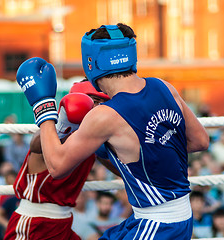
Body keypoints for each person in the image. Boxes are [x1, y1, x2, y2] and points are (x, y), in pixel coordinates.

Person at [16, 23, 209, 239]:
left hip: (156, 226)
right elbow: (200, 140)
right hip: (174, 217)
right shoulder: (163, 86)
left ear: (91, 61)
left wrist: (43, 107)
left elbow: (56, 166)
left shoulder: (106, 116)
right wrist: (148, 148)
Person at [3, 81, 111, 240]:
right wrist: (63, 126)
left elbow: (121, 169)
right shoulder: (51, 136)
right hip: (35, 223)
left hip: (64, 222)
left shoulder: (94, 139)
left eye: (102, 103)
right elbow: (35, 146)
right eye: (93, 101)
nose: (98, 108)